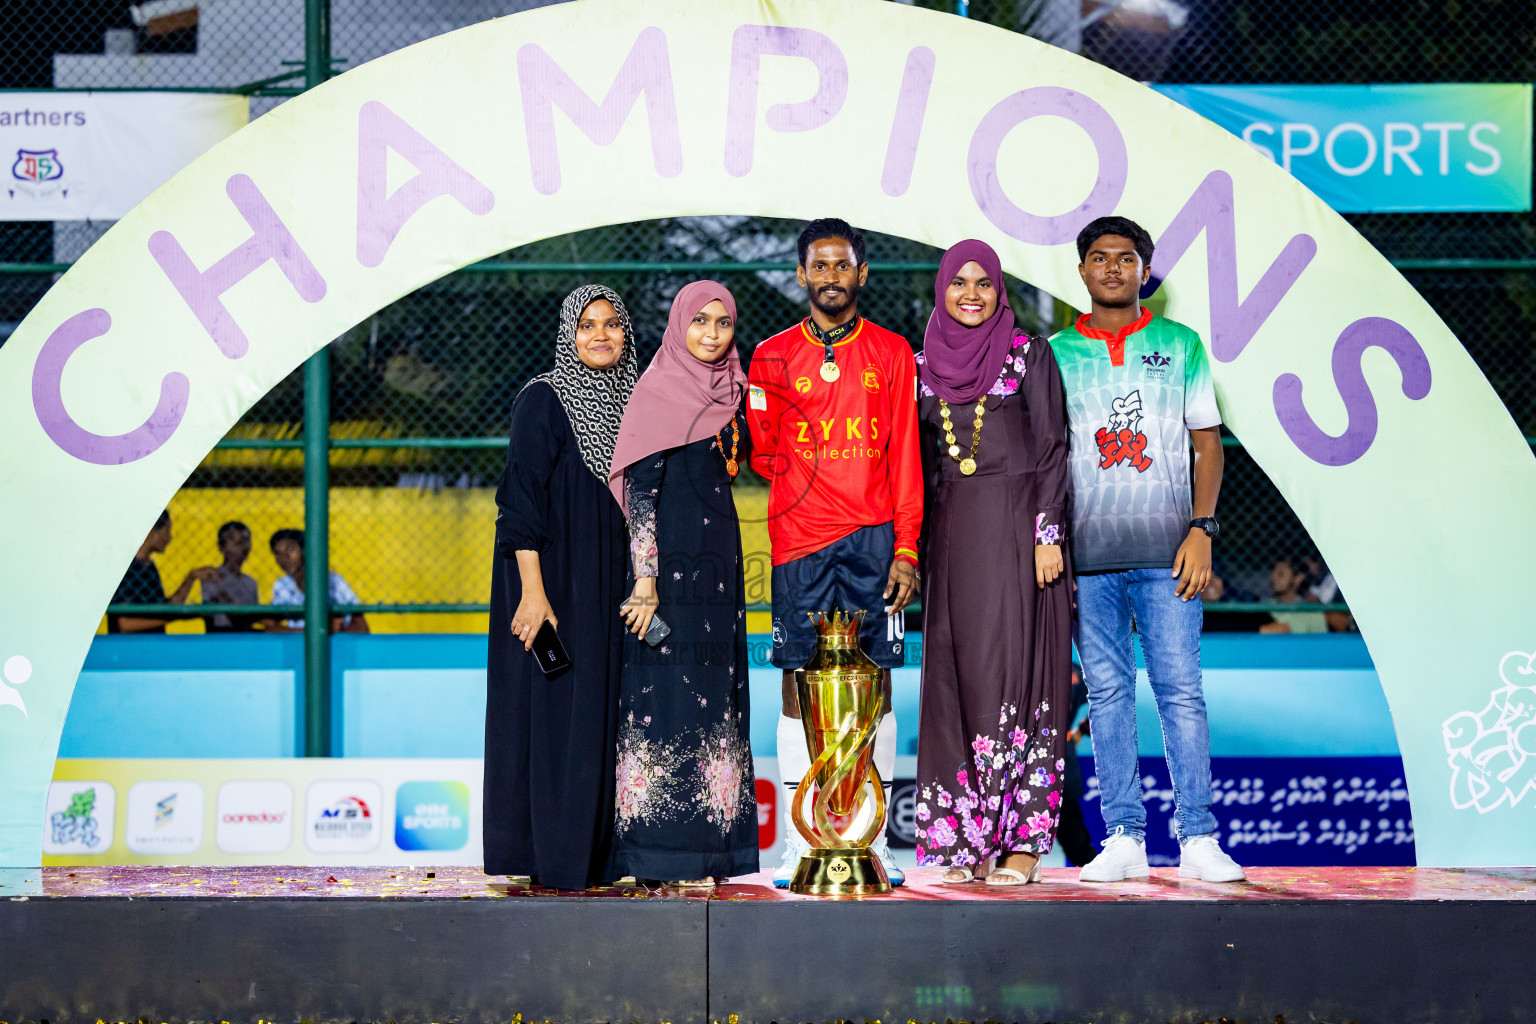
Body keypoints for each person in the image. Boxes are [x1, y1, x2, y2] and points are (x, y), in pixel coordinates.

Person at [1054, 215, 1245, 882]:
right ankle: (1124, 838)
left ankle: (1198, 838)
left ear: (1145, 269)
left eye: (1126, 258)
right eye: (1099, 258)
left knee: (1181, 693)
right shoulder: (1054, 354)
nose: (1112, 268)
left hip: (1170, 555)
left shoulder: (1181, 344)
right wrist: (1052, 542)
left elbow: (1208, 444)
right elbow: (1045, 461)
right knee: (1105, 694)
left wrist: (1202, 529)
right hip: (1087, 560)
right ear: (1081, 271)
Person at [746, 217, 922, 887]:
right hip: (799, 543)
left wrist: (907, 548)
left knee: (876, 683)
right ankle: (803, 839)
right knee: (797, 679)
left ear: (861, 274)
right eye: (818, 265)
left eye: (842, 265)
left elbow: (906, 456)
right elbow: (765, 453)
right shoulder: (768, 357)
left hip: (877, 542)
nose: (830, 276)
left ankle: (870, 834)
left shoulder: (893, 352)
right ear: (800, 274)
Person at [910, 240, 1073, 885]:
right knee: (955, 679)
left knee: (1016, 675)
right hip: (949, 536)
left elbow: (1054, 446)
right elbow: (916, 468)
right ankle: (963, 843)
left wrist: (1048, 533)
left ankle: (1023, 844)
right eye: (958, 283)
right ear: (941, 290)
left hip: (1018, 533)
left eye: (983, 283)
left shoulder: (1028, 355)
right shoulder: (923, 367)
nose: (971, 294)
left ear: (1000, 291)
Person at [483, 284, 637, 891]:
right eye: (587, 325)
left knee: (603, 710)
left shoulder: (638, 401)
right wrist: (533, 593)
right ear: (567, 334)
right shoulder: (543, 400)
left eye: (612, 324)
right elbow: (518, 506)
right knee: (555, 711)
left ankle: (602, 859)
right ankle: (553, 856)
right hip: (548, 581)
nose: (600, 335)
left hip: (611, 583)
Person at [607, 281, 758, 886]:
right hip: (666, 574)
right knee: (661, 704)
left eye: (723, 322)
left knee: (715, 699)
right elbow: (640, 494)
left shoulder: (733, 389)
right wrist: (645, 582)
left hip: (716, 571)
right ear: (678, 326)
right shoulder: (657, 392)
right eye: (700, 322)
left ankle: (706, 855)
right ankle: (655, 856)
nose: (712, 334)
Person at [108, 510, 215, 634]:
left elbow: (165, 609)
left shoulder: (148, 567)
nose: (169, 537)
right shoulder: (127, 567)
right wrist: (178, 615)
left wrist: (191, 578)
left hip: (152, 645)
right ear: (152, 531)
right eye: (167, 530)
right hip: (129, 647)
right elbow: (125, 624)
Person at [265, 529, 370, 634]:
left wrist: (337, 632)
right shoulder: (282, 585)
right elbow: (271, 628)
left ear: (304, 550)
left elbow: (361, 626)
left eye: (290, 550)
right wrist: (317, 632)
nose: (284, 558)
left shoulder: (334, 582)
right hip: (297, 644)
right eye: (277, 553)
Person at [201, 521, 260, 633]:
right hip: (220, 637)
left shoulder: (250, 583)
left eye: (244, 541)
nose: (240, 546)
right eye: (233, 540)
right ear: (221, 546)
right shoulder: (211, 578)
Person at [1259, 557, 1328, 634]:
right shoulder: (1264, 607)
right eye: (1273, 573)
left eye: (1280, 574)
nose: (1273, 578)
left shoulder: (1312, 613)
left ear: (1298, 578)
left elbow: (1322, 643)